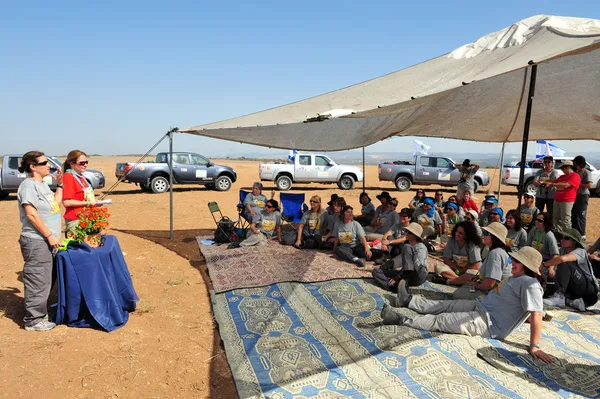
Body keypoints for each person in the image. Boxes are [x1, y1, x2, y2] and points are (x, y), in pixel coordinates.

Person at [381, 247, 553, 364]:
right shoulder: (518, 278)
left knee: (442, 320)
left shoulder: (531, 284)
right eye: (513, 259)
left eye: (516, 261)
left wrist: (534, 346)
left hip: (488, 323)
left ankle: (403, 320)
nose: (512, 263)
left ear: (527, 266)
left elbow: (536, 314)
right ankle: (408, 301)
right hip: (480, 307)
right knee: (445, 305)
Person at [17, 151, 63, 331]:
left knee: (47, 279)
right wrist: (49, 236)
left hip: (48, 240)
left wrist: (60, 185)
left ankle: (40, 313)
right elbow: (31, 214)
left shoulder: (42, 185)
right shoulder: (28, 186)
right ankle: (33, 320)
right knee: (37, 279)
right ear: (32, 166)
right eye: (45, 163)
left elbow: (55, 206)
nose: (49, 166)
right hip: (37, 240)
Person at [542, 228, 599, 311]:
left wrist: (544, 264)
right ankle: (570, 301)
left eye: (566, 238)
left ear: (574, 241)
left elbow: (562, 259)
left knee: (565, 262)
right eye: (562, 237)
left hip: (588, 290)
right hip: (574, 287)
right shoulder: (562, 250)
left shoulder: (580, 251)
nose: (562, 240)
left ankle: (560, 295)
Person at [372, 223, 428, 290]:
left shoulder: (421, 248)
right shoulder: (409, 245)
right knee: (376, 271)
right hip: (404, 274)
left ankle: (396, 286)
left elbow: (418, 269)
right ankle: (390, 285)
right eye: (406, 231)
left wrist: (399, 277)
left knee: (406, 247)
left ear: (416, 236)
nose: (406, 233)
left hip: (416, 276)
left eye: (409, 232)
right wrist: (383, 267)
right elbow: (398, 260)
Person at [62, 150, 96, 235]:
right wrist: (88, 203)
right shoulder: (68, 177)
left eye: (86, 162)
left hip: (86, 217)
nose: (85, 165)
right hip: (76, 219)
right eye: (82, 163)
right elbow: (67, 202)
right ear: (72, 163)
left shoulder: (81, 177)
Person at [547, 160, 580, 234]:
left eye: (563, 168)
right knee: (556, 218)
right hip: (557, 199)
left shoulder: (575, 176)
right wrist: (557, 184)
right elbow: (553, 182)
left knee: (565, 219)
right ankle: (559, 234)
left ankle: (568, 236)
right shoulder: (562, 176)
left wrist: (556, 184)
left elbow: (566, 185)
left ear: (568, 167)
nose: (562, 170)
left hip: (567, 200)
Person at [572, 155, 592, 239]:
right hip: (574, 195)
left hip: (583, 195)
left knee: (581, 214)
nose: (575, 166)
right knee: (574, 214)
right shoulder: (575, 172)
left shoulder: (586, 172)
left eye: (577, 165)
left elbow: (589, 185)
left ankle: (582, 234)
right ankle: (574, 232)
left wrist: (578, 184)